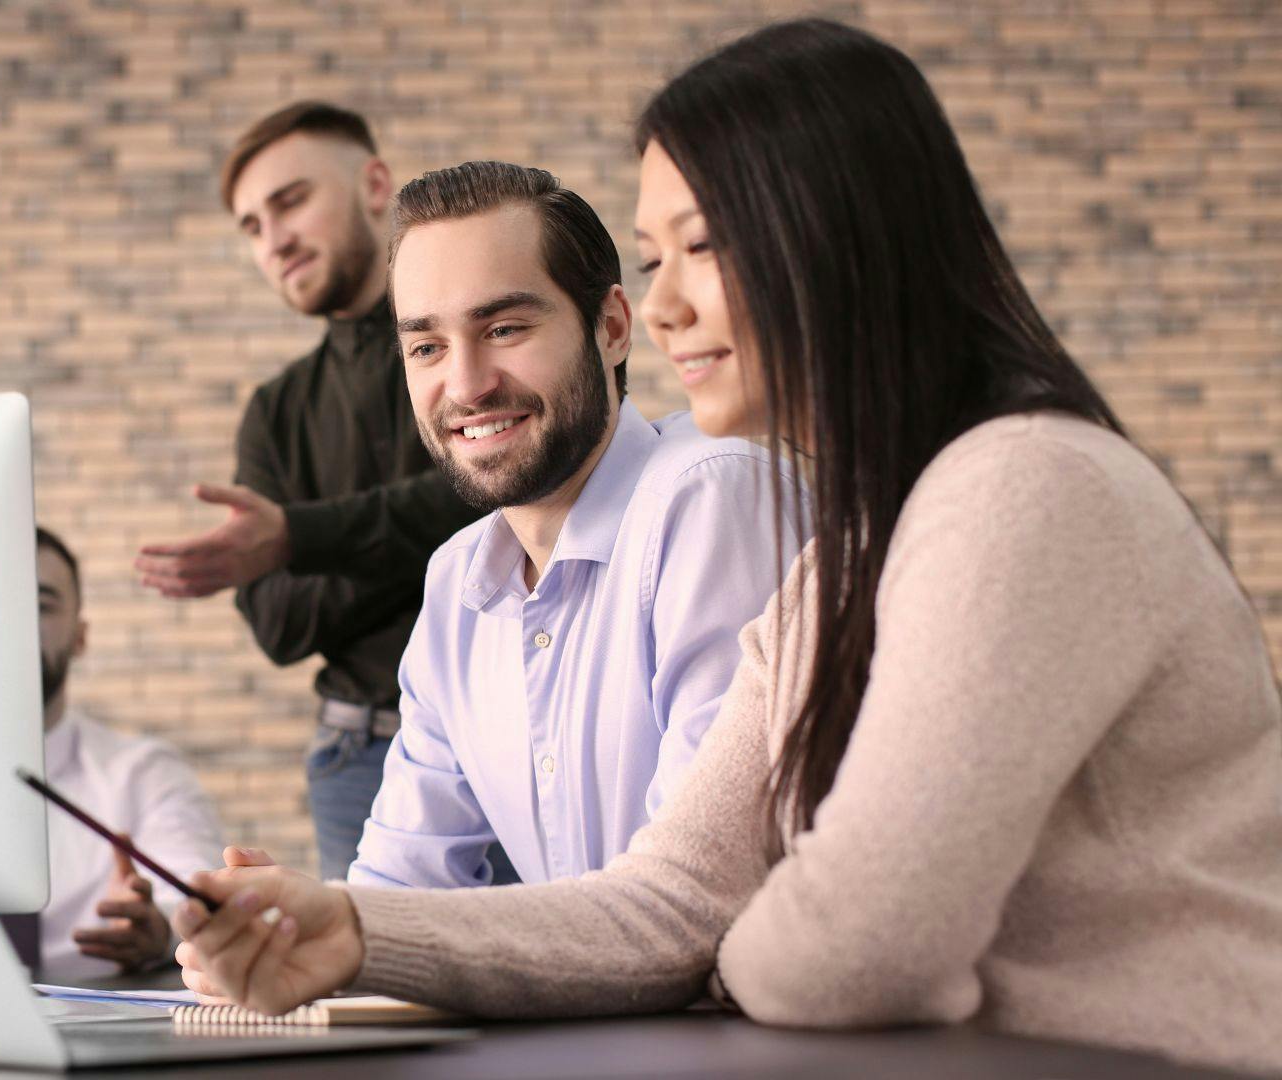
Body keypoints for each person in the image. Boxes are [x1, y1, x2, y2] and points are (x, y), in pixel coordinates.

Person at [167, 20, 1282, 1074]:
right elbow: (672, 903)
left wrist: (725, 958)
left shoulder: (1023, 486)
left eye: (702, 247)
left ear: (842, 237)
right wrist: (348, 926)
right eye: (656, 263)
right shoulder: (843, 559)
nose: (665, 312)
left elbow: (846, 942)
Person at [228, 161, 796, 890]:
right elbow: (402, 884)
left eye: (503, 327)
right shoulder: (456, 582)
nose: (465, 385)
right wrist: (293, 930)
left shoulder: (709, 500)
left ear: (614, 327)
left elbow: (697, 895)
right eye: (427, 346)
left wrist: (356, 930)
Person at [132, 103, 485, 881]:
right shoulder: (275, 410)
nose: (274, 239)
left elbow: (491, 498)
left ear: (374, 184)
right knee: (376, 998)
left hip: (513, 732)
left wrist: (298, 538)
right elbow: (277, 624)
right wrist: (423, 537)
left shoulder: (471, 349)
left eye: (290, 201)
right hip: (354, 758)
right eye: (252, 226)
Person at [27, 526, 224, 979]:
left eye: (40, 606)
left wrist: (160, 927)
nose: (14, 624)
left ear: (80, 636)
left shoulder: (144, 773)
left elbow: (195, 894)